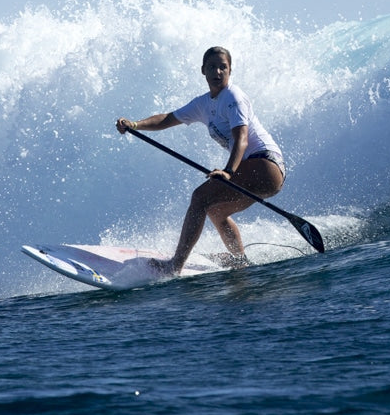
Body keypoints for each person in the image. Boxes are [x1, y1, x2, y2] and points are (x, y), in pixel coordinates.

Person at [115, 46, 285, 274]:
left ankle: (175, 265)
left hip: (265, 165)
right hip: (256, 169)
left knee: (199, 198)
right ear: (203, 71)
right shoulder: (203, 104)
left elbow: (241, 139)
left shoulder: (233, 97)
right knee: (215, 211)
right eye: (212, 67)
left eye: (223, 67)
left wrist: (228, 172)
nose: (218, 71)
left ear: (230, 70)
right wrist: (135, 124)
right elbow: (166, 119)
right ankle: (239, 260)